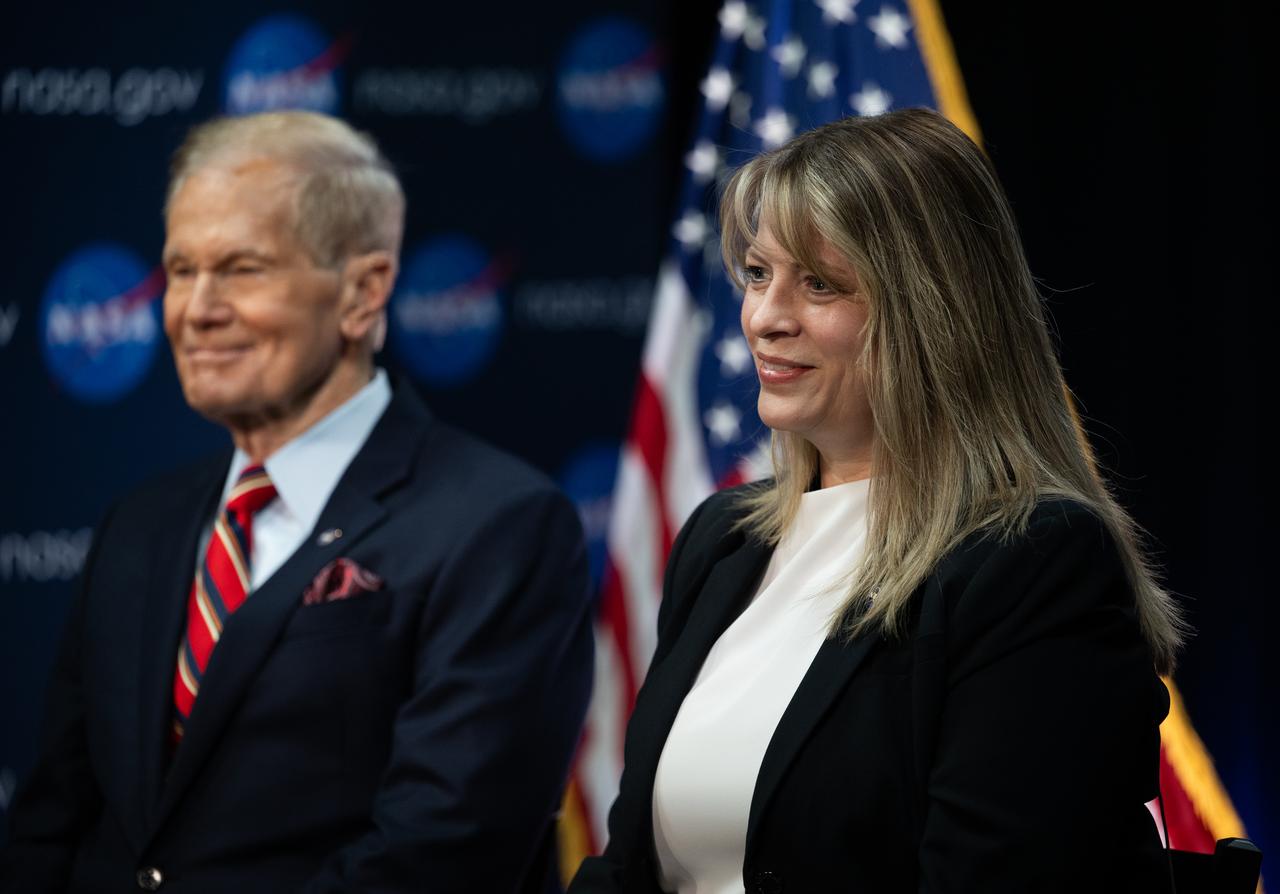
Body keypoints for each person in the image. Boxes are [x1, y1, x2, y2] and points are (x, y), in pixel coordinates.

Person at [569, 108, 1183, 894]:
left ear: (935, 312)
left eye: (818, 284)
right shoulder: (722, 541)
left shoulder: (1030, 561)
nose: (764, 318)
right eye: (758, 274)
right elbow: (627, 867)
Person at [1, 111, 594, 893]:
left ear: (362, 292)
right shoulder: (139, 523)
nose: (197, 309)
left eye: (242, 269)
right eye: (181, 270)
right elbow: (54, 821)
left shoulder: (499, 526)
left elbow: (439, 854)